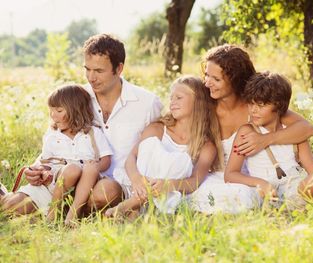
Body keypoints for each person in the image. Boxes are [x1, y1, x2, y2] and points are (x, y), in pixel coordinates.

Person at [23, 34, 163, 213]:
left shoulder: (147, 103)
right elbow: (57, 135)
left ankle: (71, 212)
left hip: (120, 185)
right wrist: (37, 168)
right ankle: (63, 208)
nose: (91, 77)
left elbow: (158, 150)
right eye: (87, 69)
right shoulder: (78, 98)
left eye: (98, 71)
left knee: (102, 193)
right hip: (72, 179)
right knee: (14, 206)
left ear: (119, 68)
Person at [188, 44, 313, 214]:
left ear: (235, 80)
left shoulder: (256, 106)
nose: (207, 83)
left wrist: (265, 140)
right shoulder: (206, 109)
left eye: (216, 79)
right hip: (224, 177)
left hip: (260, 176)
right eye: (206, 75)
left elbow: (307, 129)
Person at [224, 71, 313, 209]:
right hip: (273, 191)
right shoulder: (246, 132)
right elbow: (230, 174)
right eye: (251, 104)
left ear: (279, 106)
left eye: (261, 105)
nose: (253, 110)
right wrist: (260, 183)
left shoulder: (294, 133)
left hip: (302, 186)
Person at [105, 76, 222, 219]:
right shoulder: (158, 129)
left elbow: (194, 181)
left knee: (180, 161)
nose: (172, 102)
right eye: (171, 98)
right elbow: (132, 158)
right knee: (151, 145)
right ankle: (137, 204)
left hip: (169, 194)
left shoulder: (206, 145)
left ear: (198, 102)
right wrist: (136, 179)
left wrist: (169, 185)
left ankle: (135, 207)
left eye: (179, 97)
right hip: (139, 186)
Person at [0, 85, 113, 225]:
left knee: (82, 169)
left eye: (59, 110)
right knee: (10, 208)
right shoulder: (52, 135)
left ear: (76, 111)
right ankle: (8, 198)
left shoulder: (92, 133)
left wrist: (94, 166)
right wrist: (41, 171)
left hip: (84, 187)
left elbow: (106, 159)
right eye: (51, 110)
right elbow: (45, 162)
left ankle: (64, 215)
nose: (53, 115)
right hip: (52, 187)